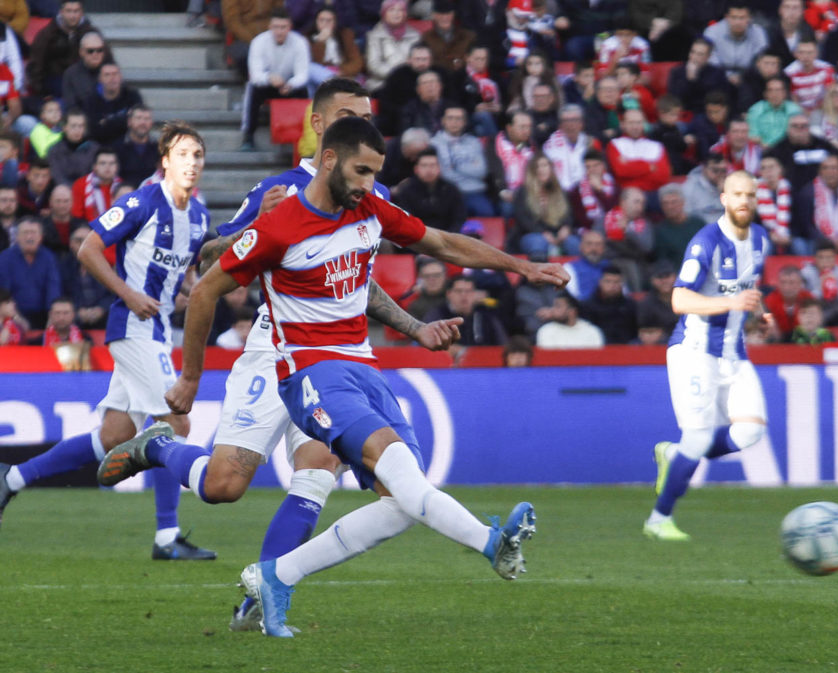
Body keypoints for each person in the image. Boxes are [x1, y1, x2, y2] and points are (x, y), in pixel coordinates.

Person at [140, 116, 566, 637]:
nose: (368, 182)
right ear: (327, 159)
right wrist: (189, 380)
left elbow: (441, 243)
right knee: (244, 482)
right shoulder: (281, 224)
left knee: (401, 504)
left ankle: (277, 576)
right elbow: (206, 287)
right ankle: (491, 543)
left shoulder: (368, 208)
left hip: (363, 368)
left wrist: (520, 267)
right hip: (312, 373)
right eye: (361, 170)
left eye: (375, 172)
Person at [96, 82, 472, 631]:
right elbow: (208, 258)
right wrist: (254, 226)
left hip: (339, 359)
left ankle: (262, 591)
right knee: (224, 485)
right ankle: (159, 447)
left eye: (367, 118)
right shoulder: (277, 189)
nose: (360, 128)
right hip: (276, 351)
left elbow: (359, 283)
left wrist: (414, 327)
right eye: (348, 117)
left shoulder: (372, 197)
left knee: (316, 473)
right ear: (320, 129)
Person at [0, 121, 216, 560]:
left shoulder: (199, 215)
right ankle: (166, 538)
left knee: (114, 434)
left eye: (197, 156)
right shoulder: (142, 201)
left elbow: (185, 274)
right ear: (164, 161)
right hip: (133, 328)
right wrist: (129, 294)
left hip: (156, 329)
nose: (191, 164)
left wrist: (190, 288)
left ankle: (11, 478)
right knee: (175, 422)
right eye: (182, 155)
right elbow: (89, 249)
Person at [644, 170, 770, 541]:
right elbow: (679, 299)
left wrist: (757, 314)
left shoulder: (760, 240)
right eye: (737, 194)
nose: (744, 201)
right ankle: (658, 520)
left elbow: (747, 288)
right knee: (698, 439)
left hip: (735, 352)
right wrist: (732, 301)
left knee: (749, 432)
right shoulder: (707, 241)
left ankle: (674, 454)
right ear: (724, 199)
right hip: (695, 352)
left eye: (750, 194)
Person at [239, 9, 310, 151]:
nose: (279, 31)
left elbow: (303, 74)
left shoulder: (300, 42)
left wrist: (290, 84)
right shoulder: (258, 42)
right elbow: (255, 74)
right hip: (266, 84)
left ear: (290, 27)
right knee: (252, 88)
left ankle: (304, 137)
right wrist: (269, 78)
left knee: (304, 91)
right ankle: (248, 134)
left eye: (283, 27)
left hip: (288, 84)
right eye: (276, 27)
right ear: (269, 27)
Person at [28, 0, 101, 98]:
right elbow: (36, 63)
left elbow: (105, 59)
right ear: (61, 12)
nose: (72, 16)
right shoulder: (48, 34)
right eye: (69, 11)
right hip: (55, 81)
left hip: (84, 78)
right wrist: (40, 91)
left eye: (76, 11)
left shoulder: (91, 32)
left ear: (82, 12)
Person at [429, 106, 493, 217]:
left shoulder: (474, 142)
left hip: (474, 191)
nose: (454, 122)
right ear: (443, 121)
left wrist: (456, 165)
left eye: (458, 119)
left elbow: (481, 171)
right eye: (450, 118)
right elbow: (444, 174)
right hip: (446, 192)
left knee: (487, 213)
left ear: (464, 122)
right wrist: (470, 166)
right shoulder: (433, 143)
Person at [512, 152, 577, 258]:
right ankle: (541, 274)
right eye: (537, 166)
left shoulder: (560, 191)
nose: (541, 169)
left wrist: (566, 228)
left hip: (558, 234)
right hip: (533, 234)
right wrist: (542, 233)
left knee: (574, 243)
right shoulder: (523, 192)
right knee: (538, 242)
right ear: (532, 170)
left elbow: (569, 215)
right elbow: (522, 219)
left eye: (545, 165)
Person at [0, 216, 61, 328]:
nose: (29, 237)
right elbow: (4, 293)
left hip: (44, 314)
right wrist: (16, 318)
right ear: (17, 237)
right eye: (25, 233)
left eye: (33, 233)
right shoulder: (5, 258)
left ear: (41, 237)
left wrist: (53, 317)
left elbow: (53, 289)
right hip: (14, 314)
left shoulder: (49, 258)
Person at [391, 147, 467, 233]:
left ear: (439, 168)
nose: (428, 170)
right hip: (417, 238)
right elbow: (406, 219)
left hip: (447, 238)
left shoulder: (451, 190)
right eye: (424, 165)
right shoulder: (406, 191)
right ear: (416, 169)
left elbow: (459, 218)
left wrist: (450, 236)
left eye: (432, 165)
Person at [423, 274, 507, 348]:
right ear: (449, 294)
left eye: (468, 291)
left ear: (474, 294)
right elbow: (428, 343)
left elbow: (502, 344)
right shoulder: (437, 315)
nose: (464, 295)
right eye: (459, 291)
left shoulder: (486, 316)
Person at [606, 108, 672, 194]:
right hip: (628, 194)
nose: (635, 127)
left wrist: (632, 167)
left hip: (653, 193)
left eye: (638, 122)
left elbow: (663, 176)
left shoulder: (657, 146)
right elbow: (621, 171)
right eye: (631, 123)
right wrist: (649, 167)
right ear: (623, 124)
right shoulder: (615, 144)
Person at [703, 4, 769, 85]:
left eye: (742, 18)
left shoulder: (758, 32)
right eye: (734, 17)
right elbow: (710, 60)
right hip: (718, 76)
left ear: (749, 18)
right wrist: (727, 76)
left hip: (749, 78)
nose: (738, 22)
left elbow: (761, 58)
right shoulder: (712, 31)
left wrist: (742, 77)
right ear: (727, 17)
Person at [800, 240, 838, 326]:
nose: (825, 262)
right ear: (814, 258)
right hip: (816, 315)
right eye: (821, 257)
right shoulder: (805, 274)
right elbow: (803, 305)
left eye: (829, 258)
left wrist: (836, 290)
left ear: (835, 259)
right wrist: (821, 290)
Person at [305, 7, 363, 97]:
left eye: (329, 21)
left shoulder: (345, 35)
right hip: (321, 76)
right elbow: (315, 63)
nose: (325, 24)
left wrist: (342, 71)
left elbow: (356, 61)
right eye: (321, 20)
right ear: (316, 22)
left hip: (342, 73)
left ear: (335, 22)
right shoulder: (307, 38)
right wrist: (321, 42)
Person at [665, 38, 732, 116]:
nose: (694, 57)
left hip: (707, 115)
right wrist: (689, 81)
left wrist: (695, 81)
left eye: (700, 54)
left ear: (708, 57)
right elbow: (674, 99)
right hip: (682, 114)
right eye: (692, 52)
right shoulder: (677, 71)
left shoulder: (717, 73)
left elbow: (719, 99)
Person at [81, 62, 143, 145]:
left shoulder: (132, 96)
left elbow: (138, 124)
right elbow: (94, 131)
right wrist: (123, 119)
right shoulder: (91, 101)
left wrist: (106, 122)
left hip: (128, 146)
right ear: (100, 79)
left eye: (115, 74)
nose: (112, 78)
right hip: (99, 148)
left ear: (120, 77)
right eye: (107, 75)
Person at [364, 0, 420, 92]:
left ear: (405, 14)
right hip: (382, 83)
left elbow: (417, 63)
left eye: (400, 10)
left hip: (410, 82)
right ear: (384, 13)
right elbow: (373, 66)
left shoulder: (415, 36)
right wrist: (397, 75)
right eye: (391, 10)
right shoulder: (374, 36)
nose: (396, 14)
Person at [543, 104, 600, 192]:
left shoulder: (591, 144)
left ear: (581, 124)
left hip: (588, 193)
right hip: (560, 195)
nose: (570, 125)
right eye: (566, 121)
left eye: (574, 120)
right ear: (560, 125)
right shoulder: (549, 147)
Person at [653, 182, 705, 272]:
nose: (670, 207)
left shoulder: (698, 224)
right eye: (665, 203)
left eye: (674, 202)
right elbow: (663, 261)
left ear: (683, 203)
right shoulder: (660, 231)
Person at [747, 75, 803, 149]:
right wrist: (767, 147)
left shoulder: (795, 110)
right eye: (770, 90)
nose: (775, 94)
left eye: (778, 90)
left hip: (788, 150)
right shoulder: (755, 110)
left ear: (784, 93)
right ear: (765, 94)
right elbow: (752, 135)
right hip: (761, 150)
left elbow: (798, 134)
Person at [61, 31, 110, 114]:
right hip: (81, 122)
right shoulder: (71, 74)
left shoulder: (111, 71)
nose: (95, 54)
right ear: (81, 52)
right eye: (90, 51)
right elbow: (71, 107)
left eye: (100, 50)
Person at [421, 0, 476, 73]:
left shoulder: (468, 36)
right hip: (437, 79)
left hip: (463, 79)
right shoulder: (426, 38)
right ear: (433, 15)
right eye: (441, 14)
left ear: (453, 14)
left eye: (448, 13)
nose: (445, 17)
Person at [535, 291, 604, 347]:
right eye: (554, 306)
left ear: (572, 311)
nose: (553, 310)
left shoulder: (591, 332)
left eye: (558, 306)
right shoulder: (546, 331)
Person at [784, 38, 835, 113]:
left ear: (816, 53)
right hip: (798, 112)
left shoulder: (826, 68)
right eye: (801, 52)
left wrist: (817, 112)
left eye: (810, 52)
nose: (806, 56)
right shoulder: (788, 73)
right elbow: (793, 100)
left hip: (823, 109)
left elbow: (830, 93)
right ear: (795, 54)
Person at [47, 109, 97, 186]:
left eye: (81, 126)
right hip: (64, 193)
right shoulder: (54, 150)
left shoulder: (94, 149)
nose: (77, 130)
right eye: (73, 126)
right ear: (64, 127)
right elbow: (57, 177)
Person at [113, 105, 159, 188]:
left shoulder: (159, 147)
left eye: (146, 119)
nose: (142, 122)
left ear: (151, 123)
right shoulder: (116, 147)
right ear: (129, 122)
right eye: (138, 118)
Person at [71, 147, 120, 222]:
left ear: (117, 167)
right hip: (88, 229)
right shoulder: (81, 185)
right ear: (95, 167)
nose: (107, 167)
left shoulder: (121, 186)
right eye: (102, 163)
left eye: (112, 163)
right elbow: (77, 216)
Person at [764, 264, 814, 338]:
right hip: (778, 342)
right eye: (783, 282)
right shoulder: (769, 301)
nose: (787, 287)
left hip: (804, 340)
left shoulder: (809, 299)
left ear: (800, 284)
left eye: (792, 282)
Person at [683, 154, 728, 223]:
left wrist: (726, 192)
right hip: (702, 230)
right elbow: (686, 218)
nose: (720, 174)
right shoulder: (689, 188)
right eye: (715, 170)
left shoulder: (730, 186)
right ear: (704, 168)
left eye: (723, 170)